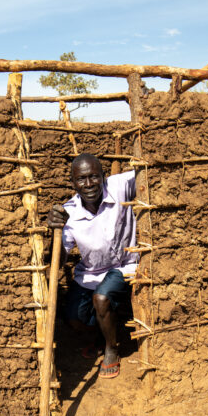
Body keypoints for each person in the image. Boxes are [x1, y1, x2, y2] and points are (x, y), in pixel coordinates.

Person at [47, 153, 137, 379]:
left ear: (104, 176)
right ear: (73, 183)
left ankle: (112, 348)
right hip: (90, 273)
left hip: (123, 265)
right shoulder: (70, 213)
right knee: (72, 318)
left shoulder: (120, 186)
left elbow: (151, 173)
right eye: (82, 179)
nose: (88, 184)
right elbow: (60, 258)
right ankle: (101, 336)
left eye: (94, 177)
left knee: (102, 298)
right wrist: (54, 231)